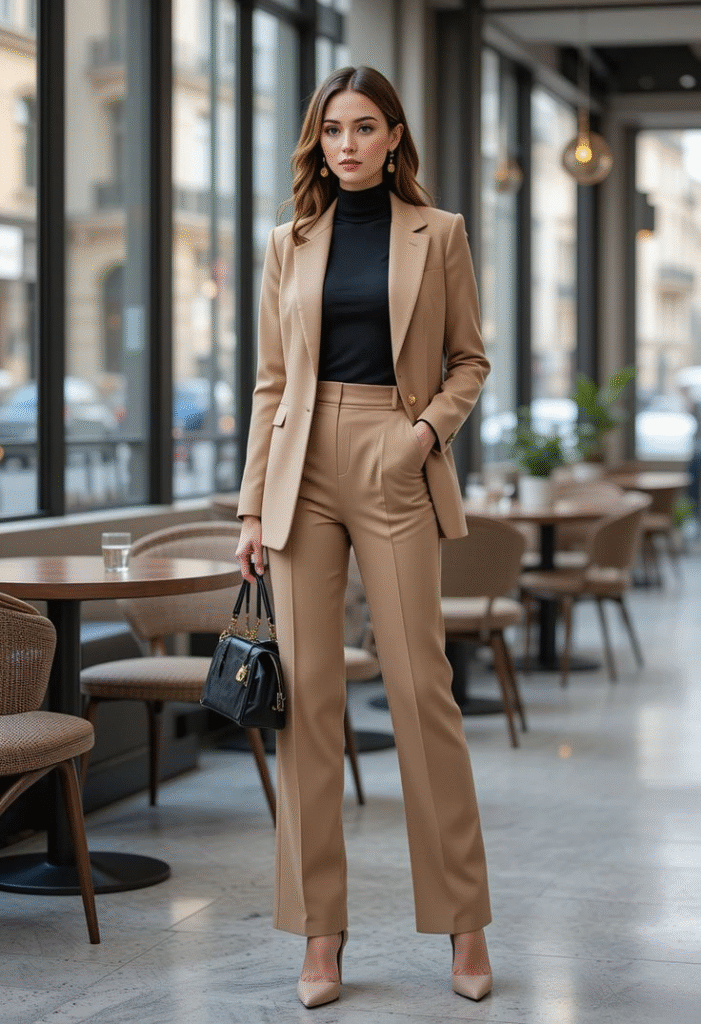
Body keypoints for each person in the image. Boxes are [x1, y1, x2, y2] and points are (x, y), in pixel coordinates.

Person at [235, 65, 493, 1009]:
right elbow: (270, 382)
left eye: (364, 128)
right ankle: (319, 935)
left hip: (394, 450)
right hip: (300, 466)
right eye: (332, 129)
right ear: (319, 140)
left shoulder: (439, 233)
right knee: (308, 700)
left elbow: (469, 360)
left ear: (393, 139)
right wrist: (251, 508)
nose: (346, 144)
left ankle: (464, 921)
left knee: (421, 689)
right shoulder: (288, 242)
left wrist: (422, 435)